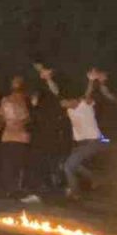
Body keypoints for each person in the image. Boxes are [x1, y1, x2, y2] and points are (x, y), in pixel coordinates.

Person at [61, 70, 110, 200]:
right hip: (81, 144)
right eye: (64, 103)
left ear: (74, 100)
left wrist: (91, 81)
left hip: (93, 142)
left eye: (67, 102)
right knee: (74, 165)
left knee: (68, 166)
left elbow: (87, 94)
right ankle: (96, 178)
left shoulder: (84, 105)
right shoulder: (70, 111)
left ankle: (75, 192)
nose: (65, 104)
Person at [27, 62, 68, 197]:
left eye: (44, 70)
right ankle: (39, 188)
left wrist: (48, 77)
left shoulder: (55, 83)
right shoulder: (37, 86)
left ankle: (56, 189)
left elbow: (56, 91)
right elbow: (33, 103)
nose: (41, 72)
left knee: (51, 158)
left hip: (52, 127)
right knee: (38, 158)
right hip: (38, 128)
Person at [0, 76, 33, 200]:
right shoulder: (5, 100)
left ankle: (18, 190)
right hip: (7, 136)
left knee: (19, 165)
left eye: (18, 82)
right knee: (7, 165)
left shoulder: (27, 99)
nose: (15, 84)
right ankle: (9, 190)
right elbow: (1, 117)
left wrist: (22, 122)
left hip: (22, 137)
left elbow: (30, 117)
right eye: (13, 82)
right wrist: (0, 123)